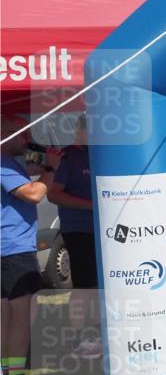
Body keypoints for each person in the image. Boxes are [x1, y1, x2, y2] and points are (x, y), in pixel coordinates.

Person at [1, 116, 62, 375]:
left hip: (9, 249)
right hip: (12, 250)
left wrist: (44, 163)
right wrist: (50, 169)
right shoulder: (3, 163)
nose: (26, 139)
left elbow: (29, 171)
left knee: (7, 318)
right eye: (20, 133)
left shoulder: (10, 163)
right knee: (20, 319)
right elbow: (35, 194)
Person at [46, 116, 100, 357]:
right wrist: (91, 206)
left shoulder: (98, 154)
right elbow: (53, 194)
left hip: (103, 230)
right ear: (80, 130)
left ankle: (96, 334)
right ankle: (80, 339)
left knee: (97, 285)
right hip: (78, 229)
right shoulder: (68, 157)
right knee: (84, 286)